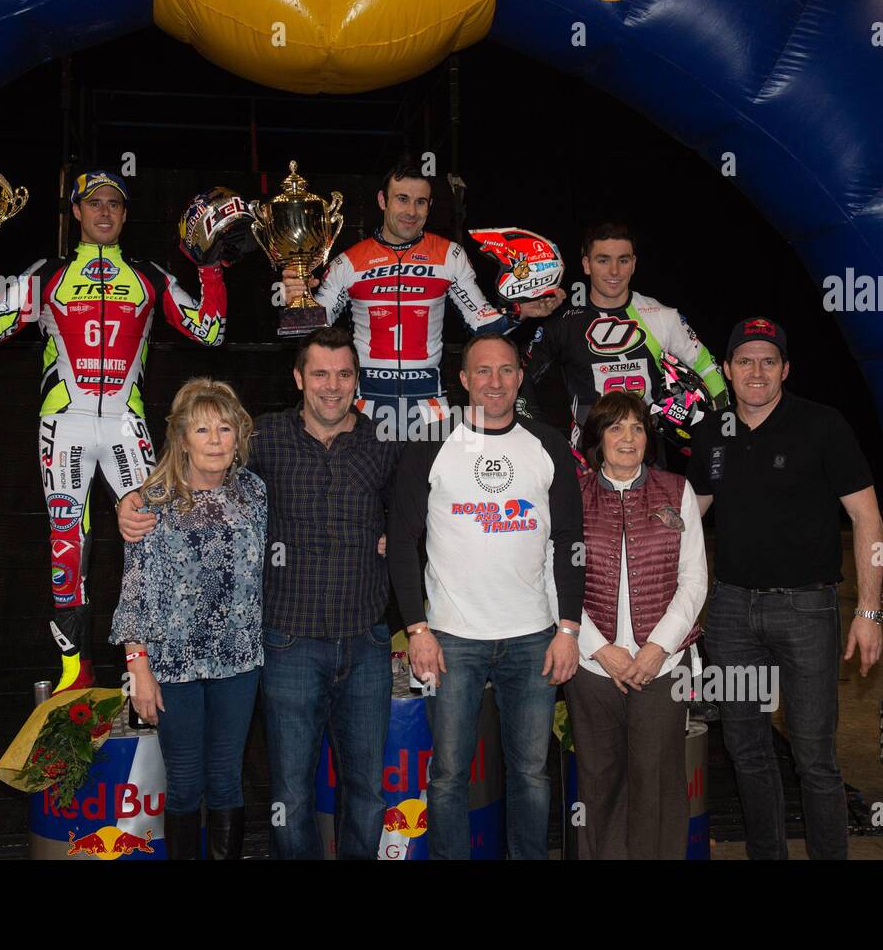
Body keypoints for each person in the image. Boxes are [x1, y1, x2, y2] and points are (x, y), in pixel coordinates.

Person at [118, 327, 402, 859]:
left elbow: (414, 510)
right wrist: (131, 500)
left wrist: (392, 527)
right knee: (287, 793)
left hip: (360, 640)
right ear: (298, 378)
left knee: (365, 791)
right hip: (284, 644)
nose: (331, 386)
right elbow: (185, 482)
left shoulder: (380, 444)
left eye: (343, 374)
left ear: (357, 382)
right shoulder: (266, 442)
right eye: (319, 373)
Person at [0, 169, 237, 693]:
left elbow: (211, 330)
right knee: (68, 539)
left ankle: (145, 661)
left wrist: (212, 270)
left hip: (123, 422)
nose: (105, 211)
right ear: (77, 213)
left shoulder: (148, 275)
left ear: (126, 214)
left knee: (151, 537)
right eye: (94, 204)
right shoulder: (49, 273)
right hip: (63, 423)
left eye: (114, 203)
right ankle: (73, 668)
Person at [685, 317, 883, 860]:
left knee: (814, 756)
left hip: (807, 608)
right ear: (726, 370)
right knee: (746, 749)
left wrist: (870, 612)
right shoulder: (711, 431)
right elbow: (686, 517)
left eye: (768, 361)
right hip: (729, 612)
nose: (756, 371)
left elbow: (867, 519)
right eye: (744, 360)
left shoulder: (823, 425)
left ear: (785, 369)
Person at [386, 333, 585, 859]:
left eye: (505, 371)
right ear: (463, 378)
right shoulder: (431, 443)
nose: (494, 382)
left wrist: (569, 630)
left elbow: (569, 542)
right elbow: (403, 543)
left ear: (520, 377)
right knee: (448, 774)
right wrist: (418, 629)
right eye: (482, 371)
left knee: (531, 773)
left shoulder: (548, 444)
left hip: (533, 639)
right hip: (452, 641)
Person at [284, 160, 563, 436]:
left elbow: (480, 322)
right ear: (383, 200)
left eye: (420, 202)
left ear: (430, 206)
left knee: (432, 481)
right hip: (365, 399)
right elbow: (315, 333)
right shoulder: (349, 262)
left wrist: (522, 311)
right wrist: (297, 300)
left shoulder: (449, 255)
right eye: (402, 199)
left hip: (428, 400)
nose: (411, 211)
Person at [109, 378, 265, 860]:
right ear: (181, 439)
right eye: (202, 430)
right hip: (172, 669)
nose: (216, 439)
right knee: (183, 785)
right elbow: (133, 591)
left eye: (225, 428)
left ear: (239, 437)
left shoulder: (254, 494)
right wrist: (139, 668)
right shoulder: (150, 503)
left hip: (239, 666)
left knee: (226, 782)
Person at [565, 391, 706, 859]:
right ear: (597, 438)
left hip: (663, 669)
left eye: (638, 427)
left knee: (657, 784)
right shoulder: (572, 496)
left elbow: (694, 579)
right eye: (615, 427)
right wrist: (600, 648)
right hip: (592, 666)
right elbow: (552, 579)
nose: (628, 438)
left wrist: (658, 648)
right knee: (598, 783)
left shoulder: (676, 491)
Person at [518, 222, 728, 449]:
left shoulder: (662, 316)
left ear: (634, 264)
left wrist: (724, 428)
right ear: (587, 265)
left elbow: (707, 365)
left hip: (649, 459)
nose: (614, 271)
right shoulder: (563, 322)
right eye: (603, 260)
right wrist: (545, 439)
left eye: (623, 260)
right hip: (587, 462)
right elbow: (522, 377)